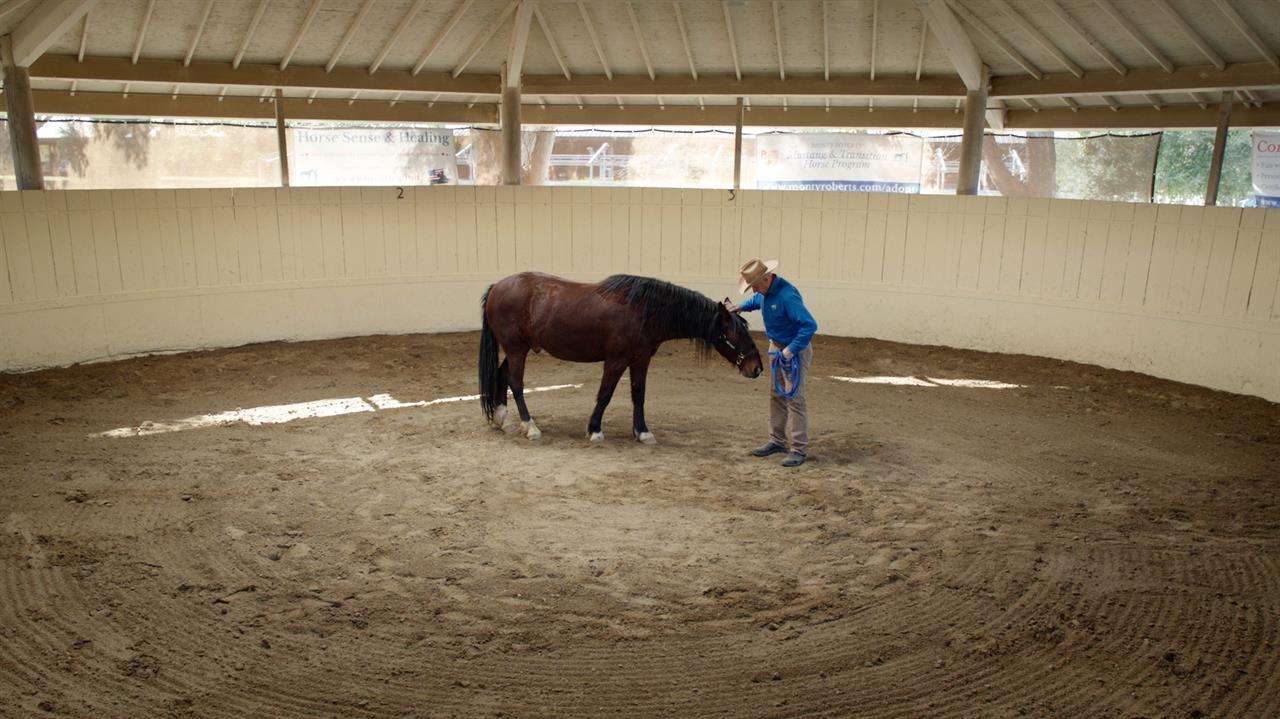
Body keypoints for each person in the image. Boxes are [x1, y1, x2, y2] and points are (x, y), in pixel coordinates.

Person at [724, 258, 818, 468]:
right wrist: (740, 307)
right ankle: (777, 440)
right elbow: (758, 301)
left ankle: (799, 449)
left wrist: (790, 350)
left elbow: (809, 325)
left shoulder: (787, 296)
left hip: (793, 350)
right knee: (776, 394)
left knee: (794, 397)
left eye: (755, 286)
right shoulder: (766, 291)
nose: (754, 290)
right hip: (777, 347)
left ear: (766, 278)